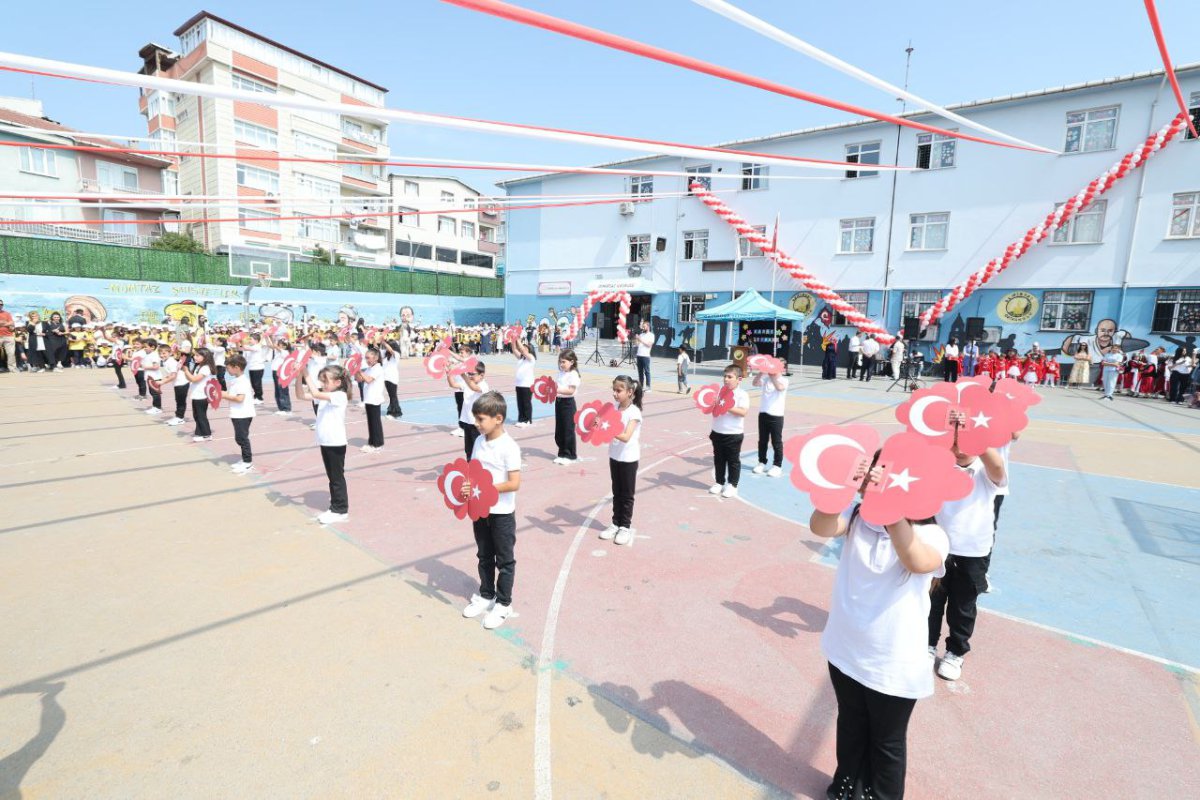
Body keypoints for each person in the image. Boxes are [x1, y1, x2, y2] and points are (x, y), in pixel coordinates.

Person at [810, 459, 949, 800]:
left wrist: (889, 505)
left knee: (886, 741)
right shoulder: (859, 517)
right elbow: (820, 526)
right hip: (846, 648)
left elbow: (917, 560)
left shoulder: (931, 533)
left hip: (893, 660)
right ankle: (846, 785)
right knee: (851, 723)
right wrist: (840, 488)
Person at [929, 431, 1007, 682]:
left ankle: (955, 652)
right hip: (937, 548)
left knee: (963, 606)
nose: (960, 449)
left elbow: (997, 465)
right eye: (953, 443)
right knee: (931, 601)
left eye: (967, 444)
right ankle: (927, 646)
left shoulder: (985, 474)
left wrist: (977, 437)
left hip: (973, 552)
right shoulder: (938, 469)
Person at [460, 391, 523, 630]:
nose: (476, 424)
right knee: (484, 555)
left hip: (502, 513)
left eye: (480, 419)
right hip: (480, 510)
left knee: (505, 560)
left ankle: (503, 603)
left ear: (498, 418)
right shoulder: (478, 441)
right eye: (475, 418)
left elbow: (514, 483)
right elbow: (472, 470)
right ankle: (486, 594)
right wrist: (468, 485)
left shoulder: (509, 447)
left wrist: (484, 489)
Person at [303, 364, 351, 525]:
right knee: (332, 477)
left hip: (335, 443)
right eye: (321, 381)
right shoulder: (326, 395)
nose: (323, 384)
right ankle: (335, 507)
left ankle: (341, 510)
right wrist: (297, 377)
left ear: (337, 382)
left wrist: (304, 372)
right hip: (325, 442)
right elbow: (301, 395)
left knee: (337, 478)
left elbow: (315, 392)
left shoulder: (339, 396)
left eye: (325, 381)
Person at [601, 375, 644, 546]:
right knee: (616, 492)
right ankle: (615, 523)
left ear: (630, 392)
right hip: (615, 456)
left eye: (619, 391)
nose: (615, 394)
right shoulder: (612, 408)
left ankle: (625, 526)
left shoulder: (634, 412)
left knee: (626, 494)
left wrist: (607, 429)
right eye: (614, 390)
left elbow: (626, 436)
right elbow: (600, 422)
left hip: (628, 458)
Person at [708, 365, 750, 499]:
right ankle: (719, 482)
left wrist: (726, 405)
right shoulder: (720, 392)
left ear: (739, 379)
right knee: (718, 459)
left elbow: (743, 412)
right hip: (717, 431)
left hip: (733, 434)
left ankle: (732, 485)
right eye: (725, 376)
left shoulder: (742, 394)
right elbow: (712, 406)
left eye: (730, 377)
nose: (726, 379)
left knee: (733, 461)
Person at [751, 367, 788, 477]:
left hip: (776, 415)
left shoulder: (784, 380)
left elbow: (780, 388)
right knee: (762, 440)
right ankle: (761, 462)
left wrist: (773, 377)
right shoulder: (765, 379)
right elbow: (754, 383)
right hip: (763, 413)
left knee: (776, 441)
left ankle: (777, 465)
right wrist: (761, 373)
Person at [225, 354, 256, 474]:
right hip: (237, 413)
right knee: (240, 438)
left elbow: (239, 399)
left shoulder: (242, 381)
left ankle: (247, 462)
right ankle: (244, 460)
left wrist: (224, 395)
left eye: (228, 368)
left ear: (236, 367)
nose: (227, 370)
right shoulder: (236, 380)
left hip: (243, 414)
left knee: (242, 438)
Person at [553, 350, 581, 464]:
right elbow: (555, 385)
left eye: (564, 362)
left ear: (572, 362)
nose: (561, 364)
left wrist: (557, 390)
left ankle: (570, 455)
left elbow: (571, 391)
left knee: (568, 429)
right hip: (558, 402)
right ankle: (562, 453)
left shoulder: (573, 374)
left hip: (568, 404)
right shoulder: (560, 373)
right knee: (559, 430)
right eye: (560, 362)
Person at [458, 361, 490, 458]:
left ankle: (480, 468)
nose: (470, 376)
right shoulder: (468, 384)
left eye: (472, 374)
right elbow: (453, 385)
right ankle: (470, 467)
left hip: (477, 423)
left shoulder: (483, 385)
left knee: (478, 448)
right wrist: (449, 374)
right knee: (468, 448)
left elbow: (474, 388)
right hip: (467, 420)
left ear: (481, 375)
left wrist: (463, 375)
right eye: (469, 374)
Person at [183, 347, 214, 442]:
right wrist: (186, 371)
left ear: (205, 357)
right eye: (194, 355)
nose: (194, 357)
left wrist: (186, 370)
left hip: (202, 396)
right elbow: (191, 378)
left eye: (197, 355)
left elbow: (194, 379)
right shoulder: (199, 366)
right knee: (197, 415)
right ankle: (199, 432)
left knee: (201, 415)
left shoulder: (206, 368)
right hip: (196, 395)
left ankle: (207, 434)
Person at [359, 346, 386, 453]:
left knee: (375, 422)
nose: (367, 360)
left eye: (369, 358)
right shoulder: (370, 368)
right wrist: (356, 371)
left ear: (375, 358)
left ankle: (378, 444)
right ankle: (371, 442)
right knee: (370, 422)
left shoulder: (378, 368)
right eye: (366, 358)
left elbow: (369, 380)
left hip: (375, 399)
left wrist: (359, 371)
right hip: (368, 399)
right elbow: (361, 379)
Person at [162, 344, 189, 427]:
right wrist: (165, 378)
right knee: (178, 400)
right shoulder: (166, 361)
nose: (162, 355)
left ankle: (180, 418)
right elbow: (171, 374)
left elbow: (174, 376)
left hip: (182, 383)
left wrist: (162, 382)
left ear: (170, 353)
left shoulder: (170, 361)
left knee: (180, 401)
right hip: (177, 383)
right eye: (160, 353)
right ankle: (177, 416)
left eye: (164, 353)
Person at [512, 335, 535, 426]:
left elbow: (522, 350)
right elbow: (514, 349)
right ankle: (521, 419)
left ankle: (527, 420)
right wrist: (513, 340)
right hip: (519, 384)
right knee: (520, 403)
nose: (523, 349)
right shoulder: (521, 358)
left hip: (527, 384)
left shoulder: (531, 358)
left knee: (526, 403)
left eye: (525, 348)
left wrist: (518, 339)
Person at [271, 338, 294, 417]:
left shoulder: (285, 352)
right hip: (275, 372)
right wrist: (268, 336)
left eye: (280, 344)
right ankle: (281, 408)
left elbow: (275, 346)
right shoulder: (278, 351)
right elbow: (271, 345)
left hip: (281, 373)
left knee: (282, 390)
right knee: (277, 390)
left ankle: (286, 408)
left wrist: (272, 338)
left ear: (284, 346)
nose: (278, 345)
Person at [141, 340, 163, 415]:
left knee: (155, 393)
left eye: (146, 347)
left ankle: (158, 407)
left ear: (152, 347)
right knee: (152, 392)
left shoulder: (154, 355)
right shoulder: (148, 354)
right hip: (150, 377)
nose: (144, 348)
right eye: (144, 347)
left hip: (155, 377)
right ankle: (155, 406)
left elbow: (156, 366)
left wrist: (145, 367)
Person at [245, 333, 266, 403]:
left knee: (257, 383)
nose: (249, 340)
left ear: (256, 340)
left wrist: (241, 341)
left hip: (258, 368)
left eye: (251, 339)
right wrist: (237, 342)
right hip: (252, 367)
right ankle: (256, 396)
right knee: (253, 383)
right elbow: (240, 348)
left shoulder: (257, 346)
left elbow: (246, 347)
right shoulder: (252, 346)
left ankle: (260, 398)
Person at [0, 299, 18, 374]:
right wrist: (7, 323)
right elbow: (9, 323)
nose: (0, 306)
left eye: (1, 304)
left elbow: (12, 323)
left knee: (11, 353)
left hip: (8, 336)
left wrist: (3, 323)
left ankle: (12, 368)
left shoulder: (7, 314)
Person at [635, 321, 654, 391]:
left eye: (644, 326)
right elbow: (637, 344)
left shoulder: (651, 335)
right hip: (639, 355)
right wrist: (636, 339)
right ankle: (641, 386)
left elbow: (649, 345)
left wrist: (640, 339)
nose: (643, 327)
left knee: (647, 372)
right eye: (643, 326)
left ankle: (648, 387)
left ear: (648, 327)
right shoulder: (641, 334)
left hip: (645, 356)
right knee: (640, 372)